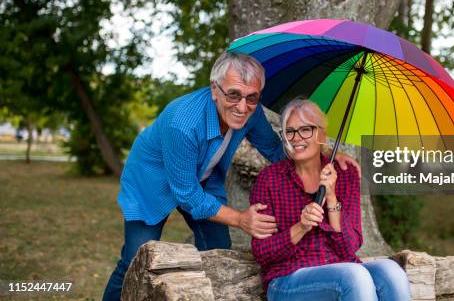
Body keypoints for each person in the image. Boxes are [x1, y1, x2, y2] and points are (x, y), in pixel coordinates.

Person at [102, 53, 359, 301]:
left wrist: (323, 153)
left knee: (218, 250)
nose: (242, 106)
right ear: (215, 89)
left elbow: (273, 148)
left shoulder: (250, 111)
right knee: (134, 259)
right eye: (234, 94)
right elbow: (187, 195)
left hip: (203, 180)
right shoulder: (182, 123)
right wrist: (240, 219)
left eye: (252, 97)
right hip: (151, 182)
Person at [250, 99, 411, 301]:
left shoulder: (345, 173)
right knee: (354, 276)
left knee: (391, 272)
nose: (296, 138)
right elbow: (262, 253)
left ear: (322, 135)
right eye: (289, 131)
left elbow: (350, 247)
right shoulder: (270, 179)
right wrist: (300, 227)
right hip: (289, 278)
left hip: (341, 268)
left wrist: (332, 196)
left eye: (306, 129)